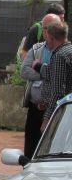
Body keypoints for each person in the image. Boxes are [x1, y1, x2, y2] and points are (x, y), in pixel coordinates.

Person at [21, 13, 61, 158]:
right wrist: (47, 74)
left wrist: (40, 69)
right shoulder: (37, 49)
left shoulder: (64, 52)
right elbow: (24, 71)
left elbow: (61, 76)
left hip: (56, 110)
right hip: (35, 108)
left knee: (51, 151)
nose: (47, 32)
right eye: (44, 28)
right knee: (30, 150)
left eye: (50, 28)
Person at [40, 20, 72, 131]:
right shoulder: (69, 50)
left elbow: (58, 92)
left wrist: (47, 119)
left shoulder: (60, 56)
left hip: (63, 114)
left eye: (46, 37)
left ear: (51, 38)